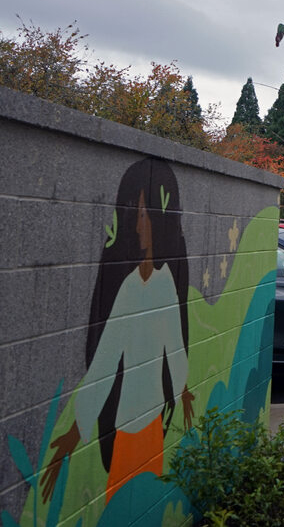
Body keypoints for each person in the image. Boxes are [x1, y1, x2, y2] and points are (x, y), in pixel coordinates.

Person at [41, 159, 193, 504]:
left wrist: (182, 392)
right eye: (134, 214)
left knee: (142, 503)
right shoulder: (129, 288)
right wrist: (74, 435)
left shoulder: (164, 284)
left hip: (150, 425)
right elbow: (105, 365)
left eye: (143, 215)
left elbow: (175, 347)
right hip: (126, 427)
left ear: (159, 219)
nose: (137, 225)